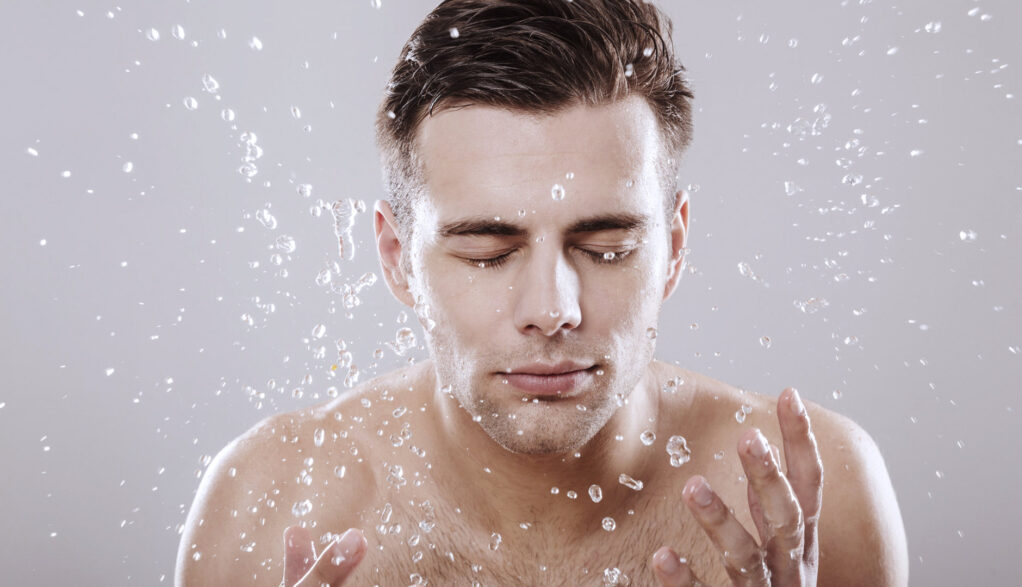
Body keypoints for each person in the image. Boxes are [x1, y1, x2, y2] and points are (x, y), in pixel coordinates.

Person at [175, 1, 908, 585]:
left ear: (674, 247)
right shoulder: (270, 507)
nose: (553, 308)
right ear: (398, 260)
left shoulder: (808, 503)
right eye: (489, 252)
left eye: (605, 247)